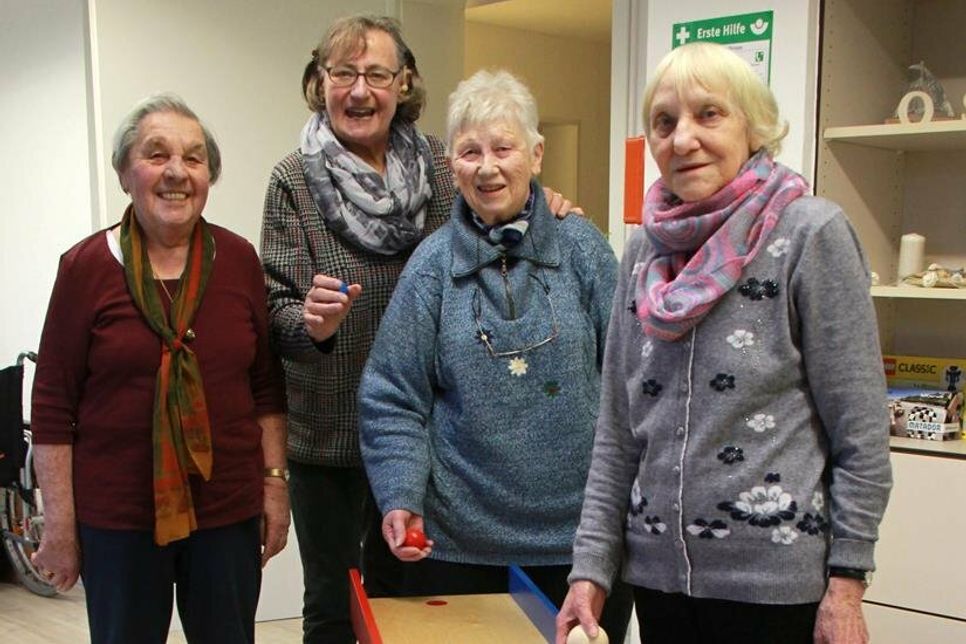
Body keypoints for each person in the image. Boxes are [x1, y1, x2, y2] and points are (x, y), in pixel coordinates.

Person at [555, 42, 893, 644]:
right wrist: (590, 572)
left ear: (753, 127)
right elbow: (616, 434)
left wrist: (846, 584)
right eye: (665, 121)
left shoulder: (810, 234)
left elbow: (861, 434)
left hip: (775, 591)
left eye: (708, 114)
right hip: (659, 584)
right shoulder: (641, 253)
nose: (683, 138)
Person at [260, 14, 576, 643]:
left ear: (402, 83)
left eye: (376, 74)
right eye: (343, 73)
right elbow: (275, 310)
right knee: (331, 601)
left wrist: (550, 205)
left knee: (410, 599)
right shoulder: (293, 179)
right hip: (332, 437)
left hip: (428, 437)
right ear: (318, 82)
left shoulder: (440, 161)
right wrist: (311, 322)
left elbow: (498, 209)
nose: (359, 91)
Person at [358, 69, 633, 644]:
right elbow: (392, 396)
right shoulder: (431, 266)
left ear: (535, 154)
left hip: (579, 545)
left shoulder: (583, 247)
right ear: (450, 167)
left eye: (504, 148)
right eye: (469, 151)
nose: (487, 167)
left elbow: (632, 381)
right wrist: (401, 493)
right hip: (458, 546)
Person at [30, 94, 288, 644]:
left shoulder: (239, 259)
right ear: (125, 173)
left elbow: (265, 386)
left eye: (194, 159)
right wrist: (59, 525)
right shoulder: (85, 268)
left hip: (226, 511)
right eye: (157, 155)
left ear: (209, 176)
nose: (177, 172)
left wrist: (274, 487)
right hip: (119, 518)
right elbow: (53, 407)